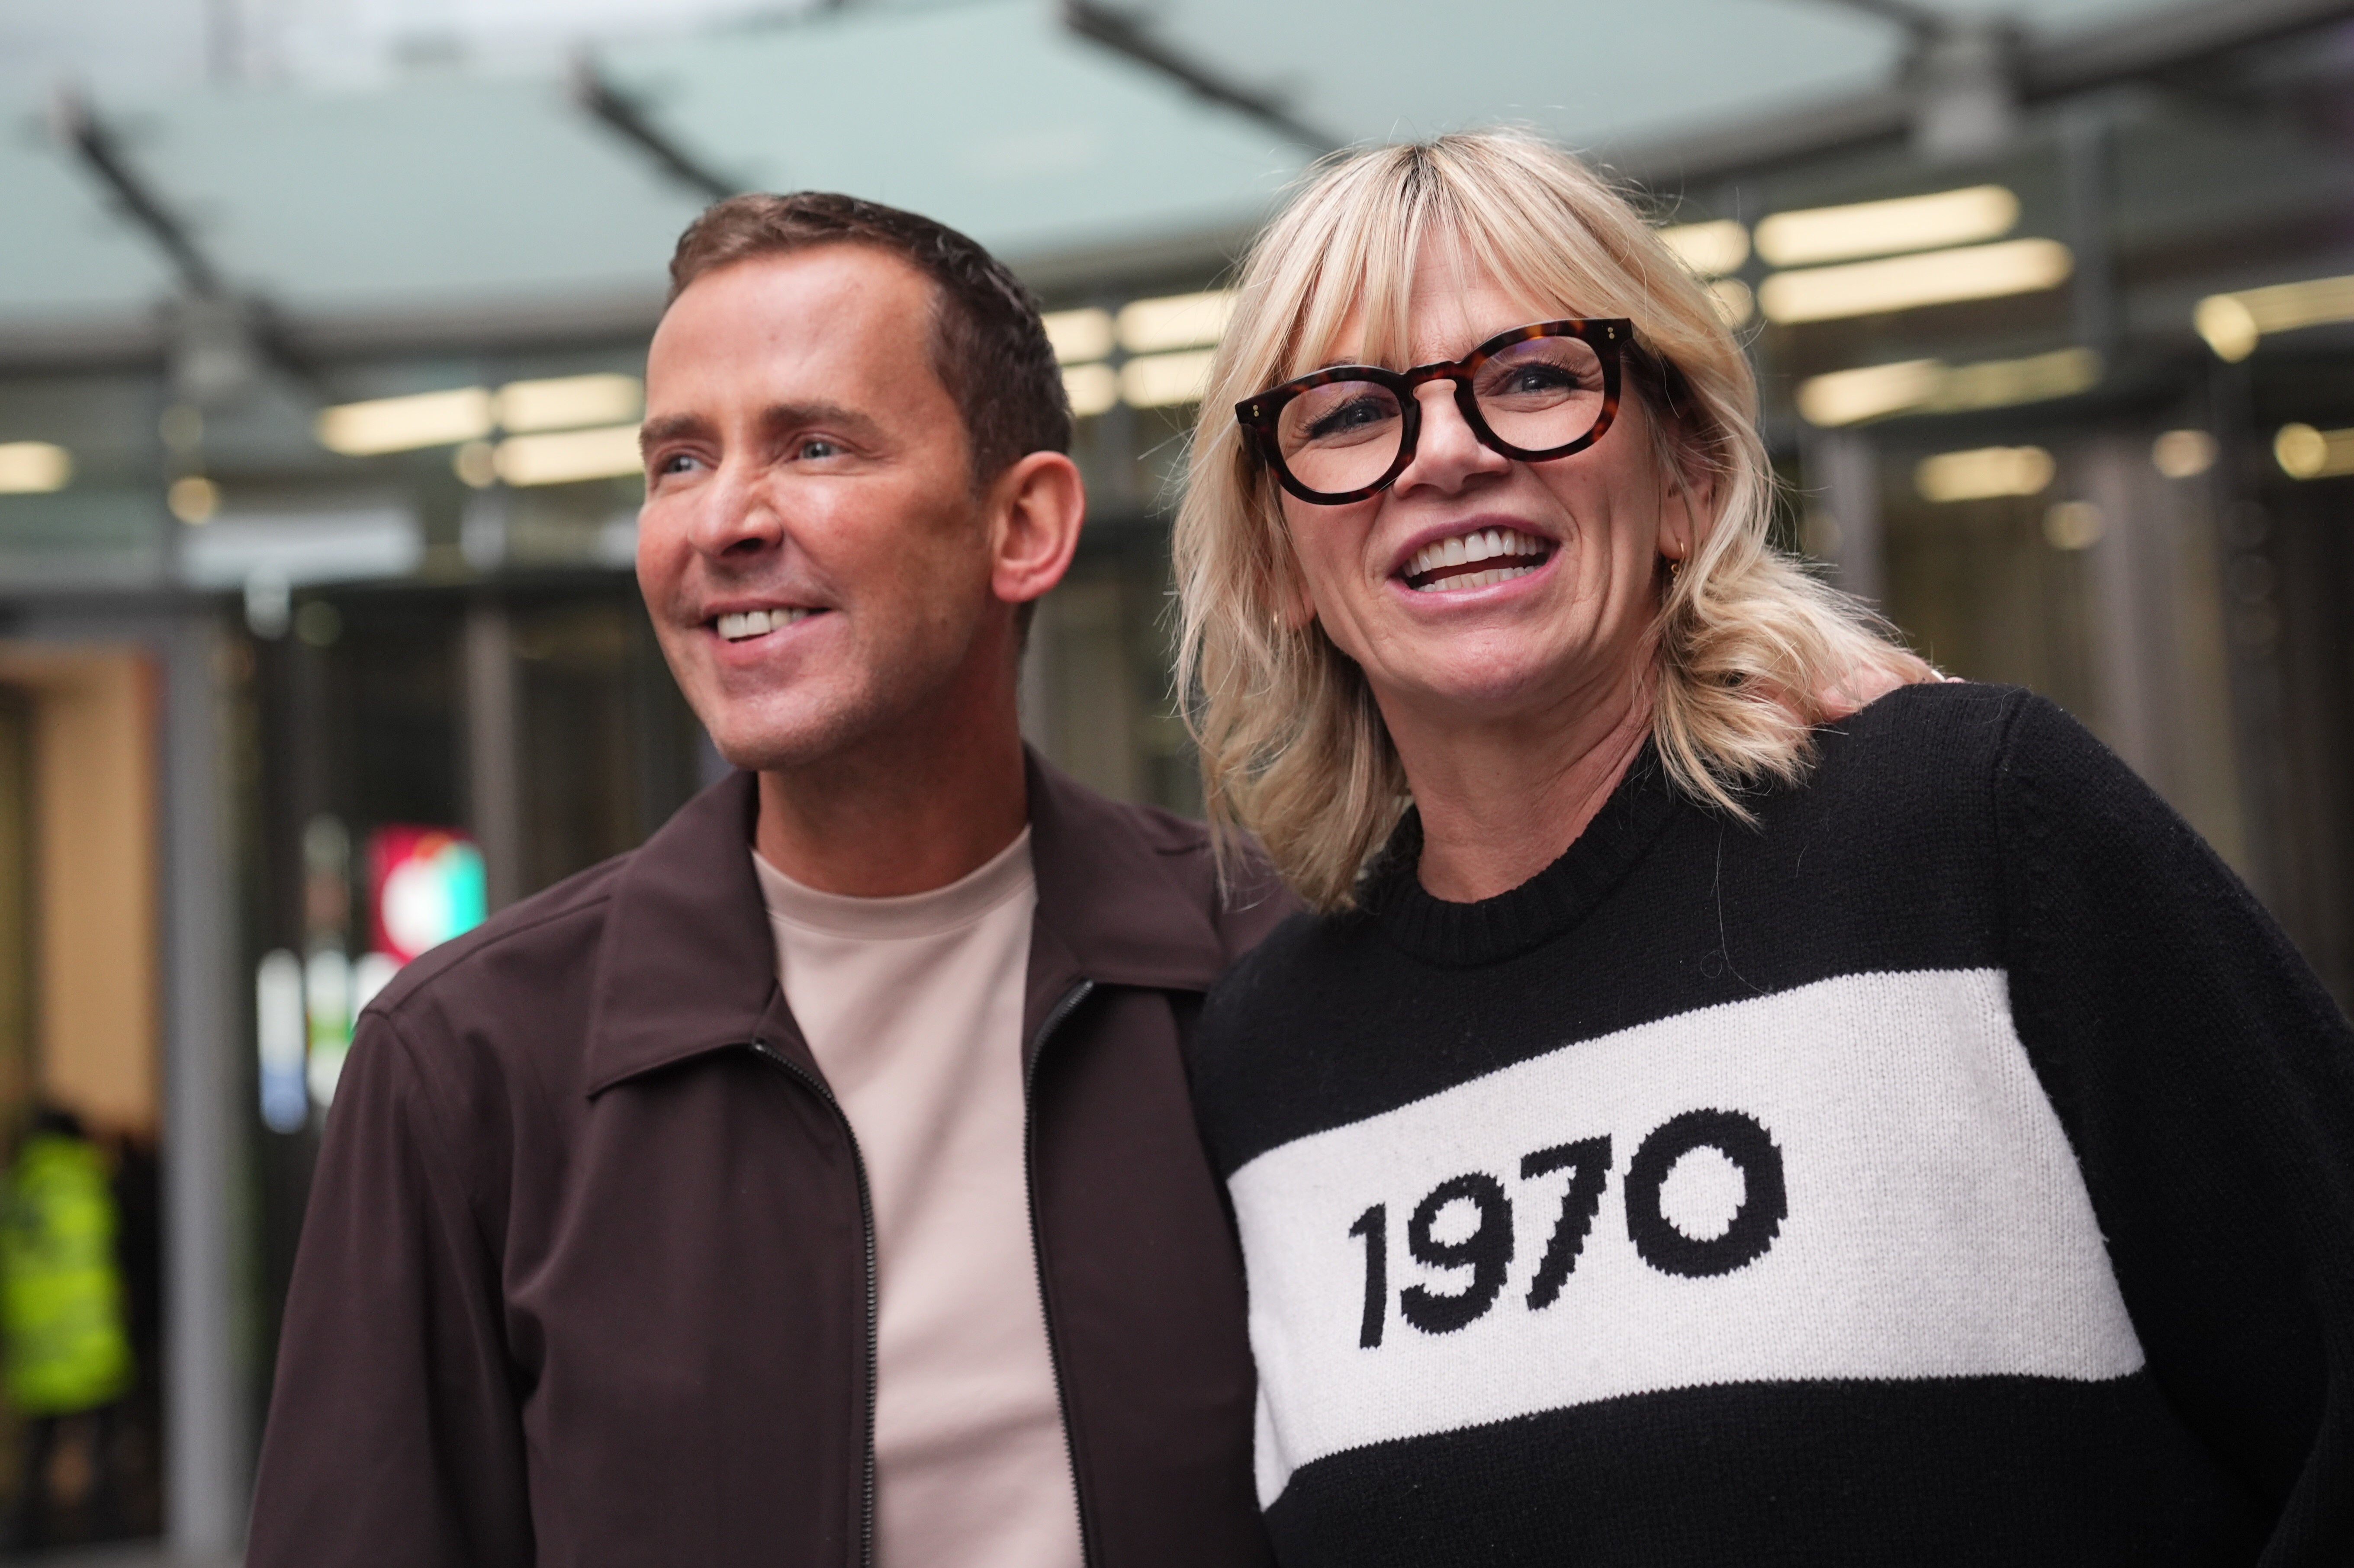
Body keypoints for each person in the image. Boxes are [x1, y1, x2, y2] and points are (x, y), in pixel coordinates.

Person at [1174, 131, 2354, 1565]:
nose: (1450, 451)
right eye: (1348, 413)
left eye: (1537, 376)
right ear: (1285, 555)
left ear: (1682, 475)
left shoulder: (1967, 827)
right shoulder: (1264, 1056)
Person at [249, 193, 1286, 1567]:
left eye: (813, 445)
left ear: (1023, 525)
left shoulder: (1268, 969)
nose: (722, 520)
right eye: (677, 461)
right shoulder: (466, 1062)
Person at [2, 1106, 134, 1548]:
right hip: (89, 1342)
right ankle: (107, 1532)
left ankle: (30, 1537)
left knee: (37, 1454)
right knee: (104, 1450)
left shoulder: (18, 1190)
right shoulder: (85, 1185)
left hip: (36, 1347)